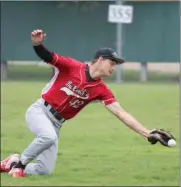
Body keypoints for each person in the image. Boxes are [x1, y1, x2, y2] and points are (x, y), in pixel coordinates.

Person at [0, 29, 175, 178]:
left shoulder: (101, 90)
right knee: (48, 137)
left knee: (43, 170)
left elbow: (121, 113)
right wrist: (37, 44)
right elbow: (48, 56)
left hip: (57, 124)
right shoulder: (72, 67)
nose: (113, 68)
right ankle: (20, 165)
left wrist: (147, 132)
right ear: (100, 59)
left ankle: (12, 162)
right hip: (40, 111)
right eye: (111, 62)